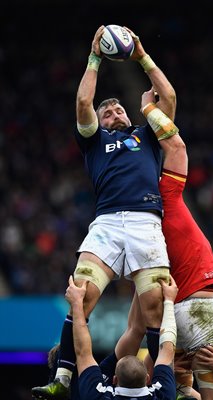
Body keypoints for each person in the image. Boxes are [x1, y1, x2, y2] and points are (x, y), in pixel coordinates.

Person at [32, 24, 177, 400]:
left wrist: (142, 54)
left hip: (146, 222)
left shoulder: (146, 135)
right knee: (81, 293)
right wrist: (95, 56)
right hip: (108, 224)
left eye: (117, 107)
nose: (112, 110)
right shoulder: (94, 141)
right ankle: (62, 380)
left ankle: (173, 384)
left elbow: (170, 98)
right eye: (106, 110)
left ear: (128, 114)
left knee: (153, 310)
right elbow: (83, 103)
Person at [114, 90, 213, 400]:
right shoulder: (166, 196)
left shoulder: (129, 228)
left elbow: (134, 329)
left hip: (166, 316)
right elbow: (175, 142)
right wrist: (148, 105)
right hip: (198, 303)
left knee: (181, 392)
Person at [64, 274, 178, 400]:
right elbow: (83, 353)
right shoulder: (97, 396)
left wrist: (168, 301)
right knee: (135, 332)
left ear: (114, 379)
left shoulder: (165, 396)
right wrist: (145, 284)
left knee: (135, 332)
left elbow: (165, 350)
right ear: (147, 378)